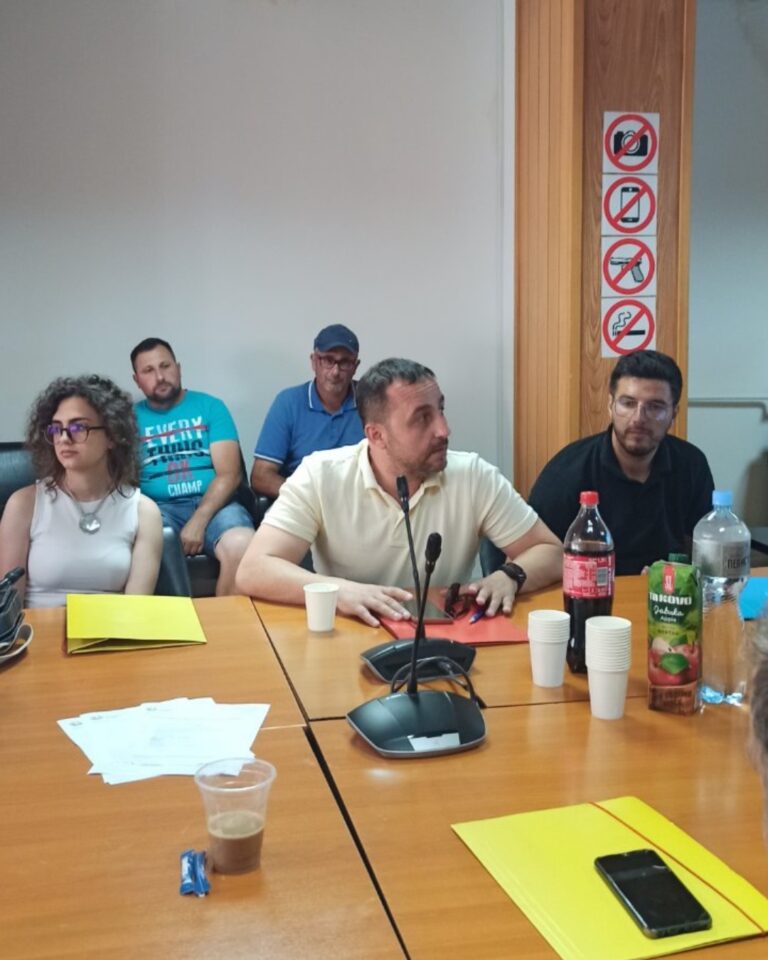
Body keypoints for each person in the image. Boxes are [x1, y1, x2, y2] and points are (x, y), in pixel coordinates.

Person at [236, 357, 562, 627]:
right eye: (422, 418)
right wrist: (340, 592)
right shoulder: (320, 474)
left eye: (441, 410)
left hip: (444, 638)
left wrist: (510, 575)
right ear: (376, 435)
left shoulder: (474, 475)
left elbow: (551, 551)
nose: (444, 429)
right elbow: (254, 570)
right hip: (352, 634)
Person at [527, 350, 714, 575]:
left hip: (667, 591)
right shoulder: (567, 471)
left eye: (655, 407)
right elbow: (532, 556)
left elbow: (708, 549)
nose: (638, 418)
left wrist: (676, 574)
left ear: (673, 413)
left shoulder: (692, 464)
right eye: (628, 403)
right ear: (611, 406)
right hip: (588, 591)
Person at [0, 375, 163, 608]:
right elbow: (8, 607)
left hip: (109, 629)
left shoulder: (144, 512)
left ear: (112, 436)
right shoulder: (23, 504)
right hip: (37, 628)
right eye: (56, 428)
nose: (64, 438)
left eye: (78, 427)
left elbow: (136, 609)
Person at [130, 337, 254, 595]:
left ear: (178, 368)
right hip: (157, 509)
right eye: (148, 371)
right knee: (142, 547)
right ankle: (175, 620)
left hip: (216, 506)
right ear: (137, 380)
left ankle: (224, 620)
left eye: (165, 366)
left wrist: (199, 520)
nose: (160, 377)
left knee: (242, 545)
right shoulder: (128, 420)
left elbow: (230, 474)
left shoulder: (210, 407)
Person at [250, 324, 364, 499]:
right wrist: (309, 499)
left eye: (344, 363)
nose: (335, 372)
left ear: (355, 366)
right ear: (314, 361)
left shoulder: (372, 401)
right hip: (303, 500)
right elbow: (261, 476)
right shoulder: (289, 402)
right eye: (328, 360)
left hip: (359, 501)